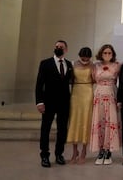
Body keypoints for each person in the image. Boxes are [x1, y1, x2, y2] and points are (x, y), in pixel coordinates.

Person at [35, 40, 74, 168]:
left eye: (61, 47)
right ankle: (45, 155)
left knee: (62, 130)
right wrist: (39, 102)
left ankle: (59, 154)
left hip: (64, 103)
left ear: (66, 50)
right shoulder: (45, 63)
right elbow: (39, 84)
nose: (58, 48)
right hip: (48, 102)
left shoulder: (69, 64)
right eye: (56, 46)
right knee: (45, 129)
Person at [90, 44, 121, 165]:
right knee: (100, 122)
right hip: (99, 97)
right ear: (101, 54)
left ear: (112, 54)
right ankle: (100, 150)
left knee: (110, 122)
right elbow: (93, 79)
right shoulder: (95, 66)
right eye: (105, 53)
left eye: (109, 53)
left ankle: (108, 150)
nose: (107, 55)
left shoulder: (117, 66)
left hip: (111, 96)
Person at [67, 47, 94, 164]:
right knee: (74, 120)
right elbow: (70, 80)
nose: (85, 59)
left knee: (85, 121)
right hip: (76, 92)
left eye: (87, 57)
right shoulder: (73, 64)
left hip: (88, 92)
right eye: (83, 57)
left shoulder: (93, 65)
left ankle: (83, 150)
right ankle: (74, 151)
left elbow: (95, 79)